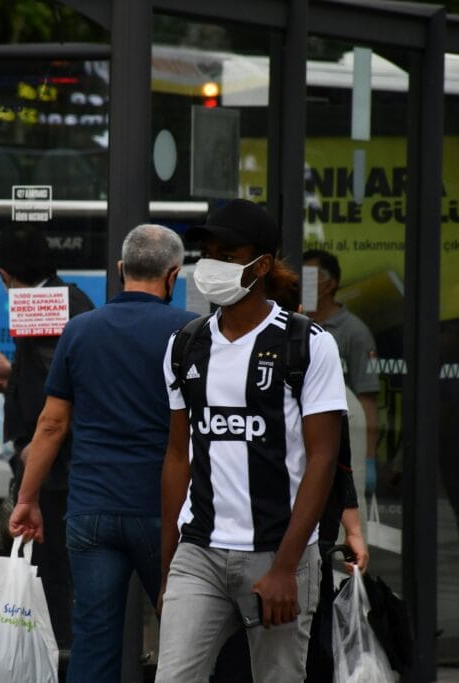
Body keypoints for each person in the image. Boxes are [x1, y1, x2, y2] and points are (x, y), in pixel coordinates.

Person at [155, 199, 347, 683]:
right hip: (198, 554)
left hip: (278, 552)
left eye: (227, 252)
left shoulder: (307, 344)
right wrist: (168, 567)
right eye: (207, 251)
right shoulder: (185, 346)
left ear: (260, 265)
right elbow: (178, 456)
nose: (211, 263)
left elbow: (323, 458)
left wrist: (286, 567)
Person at [9, 224, 195, 683]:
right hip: (163, 512)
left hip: (90, 509)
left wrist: (27, 499)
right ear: (173, 275)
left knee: (93, 638)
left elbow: (51, 425)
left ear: (120, 270)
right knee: (185, 632)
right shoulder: (190, 333)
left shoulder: (80, 330)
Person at [0, 226, 94, 651]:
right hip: (62, 462)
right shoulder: (67, 297)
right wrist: (14, 380)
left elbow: (63, 397)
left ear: (6, 275)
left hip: (56, 466)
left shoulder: (47, 305)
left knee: (52, 573)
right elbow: (58, 377)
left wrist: (33, 450)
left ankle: (58, 656)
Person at [302, 249, 379, 498]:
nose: (304, 282)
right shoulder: (295, 324)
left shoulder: (354, 332)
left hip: (342, 442)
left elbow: (367, 399)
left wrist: (368, 459)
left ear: (330, 283)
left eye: (311, 276)